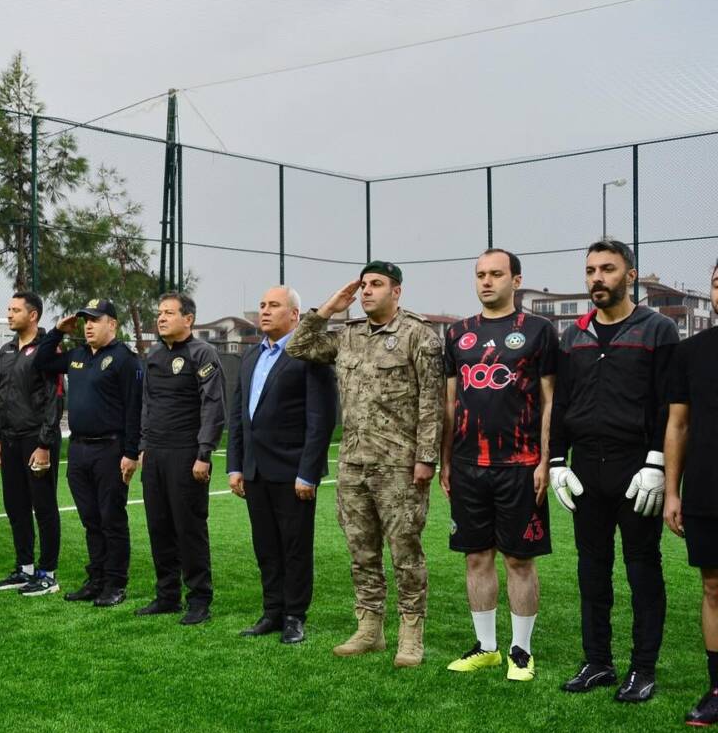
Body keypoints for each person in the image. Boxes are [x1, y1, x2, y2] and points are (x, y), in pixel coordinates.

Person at [288, 261, 443, 667]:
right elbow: (297, 347)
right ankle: (369, 629)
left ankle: (411, 634)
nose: (367, 291)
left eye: (377, 284)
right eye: (364, 285)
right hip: (353, 463)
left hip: (399, 465)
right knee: (361, 552)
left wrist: (427, 458)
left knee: (405, 554)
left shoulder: (418, 335)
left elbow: (432, 402)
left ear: (397, 292)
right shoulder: (348, 335)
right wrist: (330, 308)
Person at [550, 238, 678, 702]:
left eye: (607, 269)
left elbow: (669, 403)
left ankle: (642, 669)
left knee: (642, 568)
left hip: (636, 469)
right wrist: (557, 461)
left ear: (630, 275)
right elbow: (562, 402)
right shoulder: (573, 335)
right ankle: (597, 662)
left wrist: (657, 463)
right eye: (590, 270)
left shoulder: (657, 329)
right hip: (586, 467)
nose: (596, 278)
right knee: (592, 568)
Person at [439, 249, 557, 682]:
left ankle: (521, 651)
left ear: (516, 279)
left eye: (496, 274)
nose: (486, 281)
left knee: (519, 561)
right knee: (476, 558)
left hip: (521, 465)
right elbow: (450, 403)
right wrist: (445, 460)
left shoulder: (539, 331)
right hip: (469, 466)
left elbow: (549, 401)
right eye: (480, 275)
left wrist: (546, 460)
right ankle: (486, 647)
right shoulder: (458, 333)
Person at [229, 286, 337, 644]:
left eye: (274, 305)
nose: (264, 311)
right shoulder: (250, 357)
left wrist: (308, 472)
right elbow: (239, 418)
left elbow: (320, 419)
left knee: (295, 547)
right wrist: (235, 466)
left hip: (293, 472)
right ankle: (272, 612)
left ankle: (295, 616)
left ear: (295, 315)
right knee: (266, 546)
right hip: (255, 471)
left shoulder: (309, 355)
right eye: (261, 305)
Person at [34, 299, 142, 608]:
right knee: (90, 520)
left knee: (111, 519)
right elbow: (43, 361)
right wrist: (56, 332)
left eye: (96, 319)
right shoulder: (78, 355)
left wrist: (131, 452)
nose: (89, 325)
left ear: (113, 324)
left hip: (111, 449)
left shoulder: (124, 359)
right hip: (79, 449)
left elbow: (135, 409)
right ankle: (95, 580)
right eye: (85, 320)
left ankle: (116, 583)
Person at [136, 292, 226, 625]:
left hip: (187, 453)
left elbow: (213, 405)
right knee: (159, 526)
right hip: (155, 454)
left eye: (169, 313)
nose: (160, 318)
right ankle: (167, 595)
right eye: (159, 313)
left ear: (187, 319)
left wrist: (204, 453)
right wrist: (144, 446)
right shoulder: (156, 355)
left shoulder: (204, 353)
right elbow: (147, 404)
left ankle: (199, 599)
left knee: (189, 528)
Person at [664, 260, 718, 726]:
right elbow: (678, 424)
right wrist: (672, 491)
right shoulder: (692, 352)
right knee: (714, 585)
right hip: (707, 486)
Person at [0, 291, 64, 596]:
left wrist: (45, 443)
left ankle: (47, 573)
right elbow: (1, 397)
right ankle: (24, 569)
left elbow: (55, 398)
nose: (9, 315)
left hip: (37, 440)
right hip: (10, 439)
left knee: (43, 506)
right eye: (8, 309)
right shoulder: (6, 350)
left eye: (15, 310)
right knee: (15, 506)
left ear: (33, 315)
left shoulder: (49, 349)